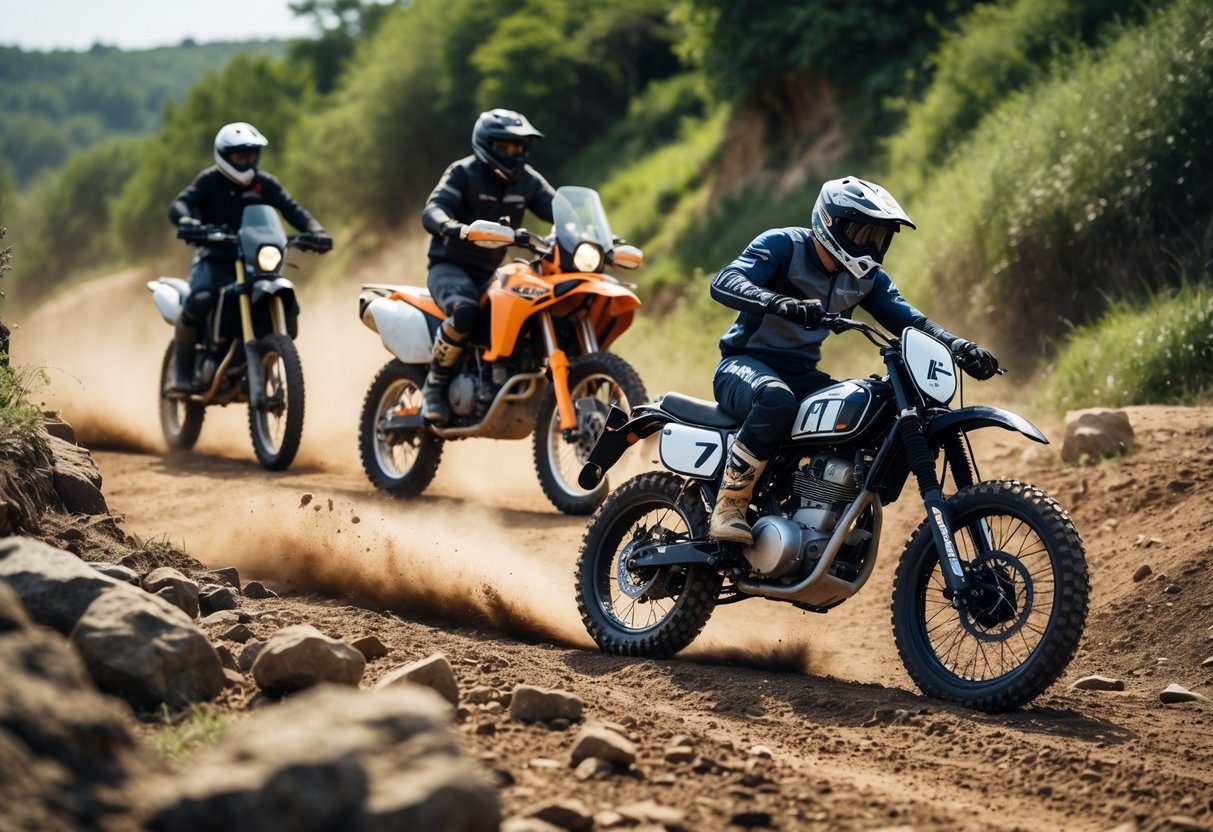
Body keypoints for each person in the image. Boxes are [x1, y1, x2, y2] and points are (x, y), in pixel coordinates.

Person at [708, 176, 999, 544]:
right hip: (743, 366)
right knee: (776, 399)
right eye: (862, 233)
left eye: (879, 237)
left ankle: (820, 510)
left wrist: (958, 345)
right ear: (830, 223)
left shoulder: (867, 280)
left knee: (864, 410)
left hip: (802, 375)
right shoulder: (782, 245)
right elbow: (725, 281)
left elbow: (911, 320)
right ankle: (729, 505)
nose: (871, 247)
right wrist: (779, 302)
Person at [166, 122, 331, 393]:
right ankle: (181, 371)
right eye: (241, 156)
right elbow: (180, 204)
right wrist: (187, 221)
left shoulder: (265, 184)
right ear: (224, 155)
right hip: (214, 259)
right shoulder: (209, 181)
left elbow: (293, 210)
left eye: (252, 155)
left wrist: (316, 232)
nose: (247, 161)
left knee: (271, 294)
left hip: (254, 262)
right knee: (201, 298)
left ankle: (262, 354)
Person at [419, 108, 556, 425]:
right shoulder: (463, 173)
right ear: (487, 145)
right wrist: (452, 226)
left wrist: (588, 233)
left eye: (520, 146)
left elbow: (561, 211)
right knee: (465, 311)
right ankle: (434, 385)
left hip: (489, 274)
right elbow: (433, 209)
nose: (515, 152)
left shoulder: (528, 181)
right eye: (506, 146)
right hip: (450, 267)